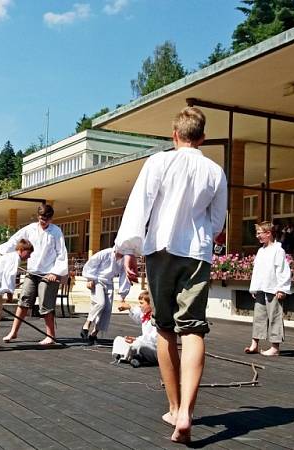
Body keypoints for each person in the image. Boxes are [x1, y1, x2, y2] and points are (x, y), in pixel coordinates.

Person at [115, 106, 227, 443]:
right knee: (193, 329)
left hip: (160, 250)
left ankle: (174, 407)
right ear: (203, 137)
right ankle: (188, 413)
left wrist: (129, 249)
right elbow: (218, 221)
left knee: (164, 328)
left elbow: (139, 206)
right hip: (196, 253)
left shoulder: (158, 162)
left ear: (174, 135)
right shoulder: (215, 170)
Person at [0, 204, 68, 346]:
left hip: (48, 274)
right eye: (42, 218)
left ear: (51, 219)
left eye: (46, 219)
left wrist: (55, 272)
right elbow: (16, 241)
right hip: (32, 272)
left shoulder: (56, 232)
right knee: (24, 300)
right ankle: (14, 331)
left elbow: (61, 253)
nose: (43, 221)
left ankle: (50, 336)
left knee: (45, 305)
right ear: (38, 216)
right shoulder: (30, 229)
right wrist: (2, 251)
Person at [245, 221, 292, 357]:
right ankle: (254, 344)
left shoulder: (278, 250)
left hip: (273, 289)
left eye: (259, 233)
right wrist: (254, 288)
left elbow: (282, 270)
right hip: (261, 288)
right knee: (258, 316)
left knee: (274, 316)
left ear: (268, 233)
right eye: (257, 233)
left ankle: (275, 347)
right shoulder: (261, 251)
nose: (257, 236)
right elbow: (257, 271)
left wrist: (282, 288)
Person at [80, 247, 131, 344]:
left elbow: (124, 276)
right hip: (97, 280)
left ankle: (94, 333)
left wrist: (123, 295)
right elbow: (91, 264)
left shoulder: (125, 259)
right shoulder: (105, 253)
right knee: (100, 303)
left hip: (109, 282)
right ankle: (87, 323)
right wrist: (89, 278)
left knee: (107, 309)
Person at [113, 291, 157, 367]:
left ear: (150, 304)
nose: (140, 306)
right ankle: (130, 357)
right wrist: (129, 308)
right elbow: (136, 315)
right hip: (142, 341)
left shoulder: (156, 318)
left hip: (153, 348)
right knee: (119, 339)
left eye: (142, 303)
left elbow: (153, 338)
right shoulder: (145, 314)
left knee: (138, 345)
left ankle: (133, 357)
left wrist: (136, 339)